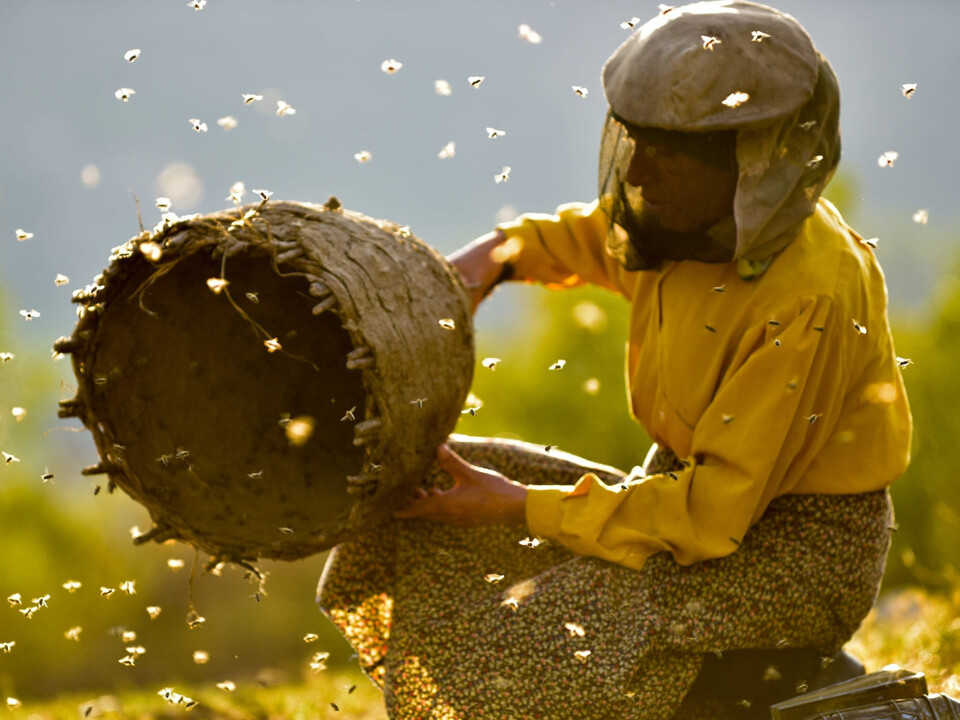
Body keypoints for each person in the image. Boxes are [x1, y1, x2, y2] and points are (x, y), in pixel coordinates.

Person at [317, 2, 912, 718]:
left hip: (789, 559)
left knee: (520, 644)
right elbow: (589, 238)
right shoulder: (686, 220)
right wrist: (485, 265)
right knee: (415, 503)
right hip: (682, 505)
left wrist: (516, 507)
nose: (641, 175)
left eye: (669, 155)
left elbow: (710, 517)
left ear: (751, 159)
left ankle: (807, 695)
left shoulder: (808, 295)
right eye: (637, 144)